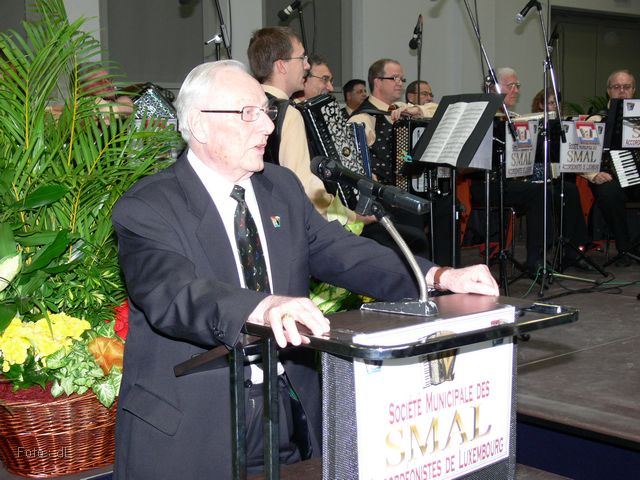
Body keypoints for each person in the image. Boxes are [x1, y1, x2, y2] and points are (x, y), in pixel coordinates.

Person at [111, 59, 500, 479]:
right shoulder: (148, 205)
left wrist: (437, 276)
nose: (267, 126)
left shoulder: (279, 187)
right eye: (249, 113)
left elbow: (342, 251)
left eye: (266, 112)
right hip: (195, 424)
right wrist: (261, 308)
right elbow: (173, 292)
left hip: (288, 410)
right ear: (200, 125)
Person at [470, 68, 590, 274]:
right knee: (538, 192)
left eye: (517, 86)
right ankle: (536, 258)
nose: (516, 90)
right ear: (492, 88)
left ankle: (573, 253)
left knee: (568, 189)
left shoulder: (514, 118)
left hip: (515, 181)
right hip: (488, 183)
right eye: (511, 86)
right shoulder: (480, 116)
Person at [583, 69, 640, 264]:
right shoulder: (596, 120)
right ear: (608, 91)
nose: (622, 91)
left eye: (627, 87)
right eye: (617, 87)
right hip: (608, 177)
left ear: (633, 90)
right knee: (608, 192)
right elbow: (580, 155)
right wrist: (593, 174)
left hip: (636, 178)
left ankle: (636, 244)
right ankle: (625, 247)